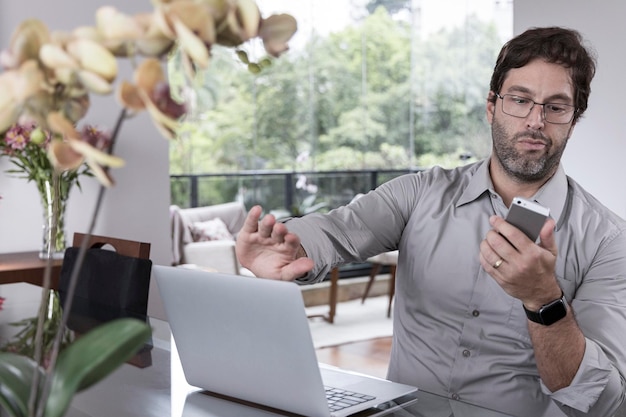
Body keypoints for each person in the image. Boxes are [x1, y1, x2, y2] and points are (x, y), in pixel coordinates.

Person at [235, 27, 626, 417]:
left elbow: (603, 402)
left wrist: (544, 301)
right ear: (492, 106)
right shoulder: (420, 192)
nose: (535, 120)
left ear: (573, 120)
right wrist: (290, 245)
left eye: (555, 107)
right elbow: (339, 230)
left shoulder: (609, 241)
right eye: (520, 100)